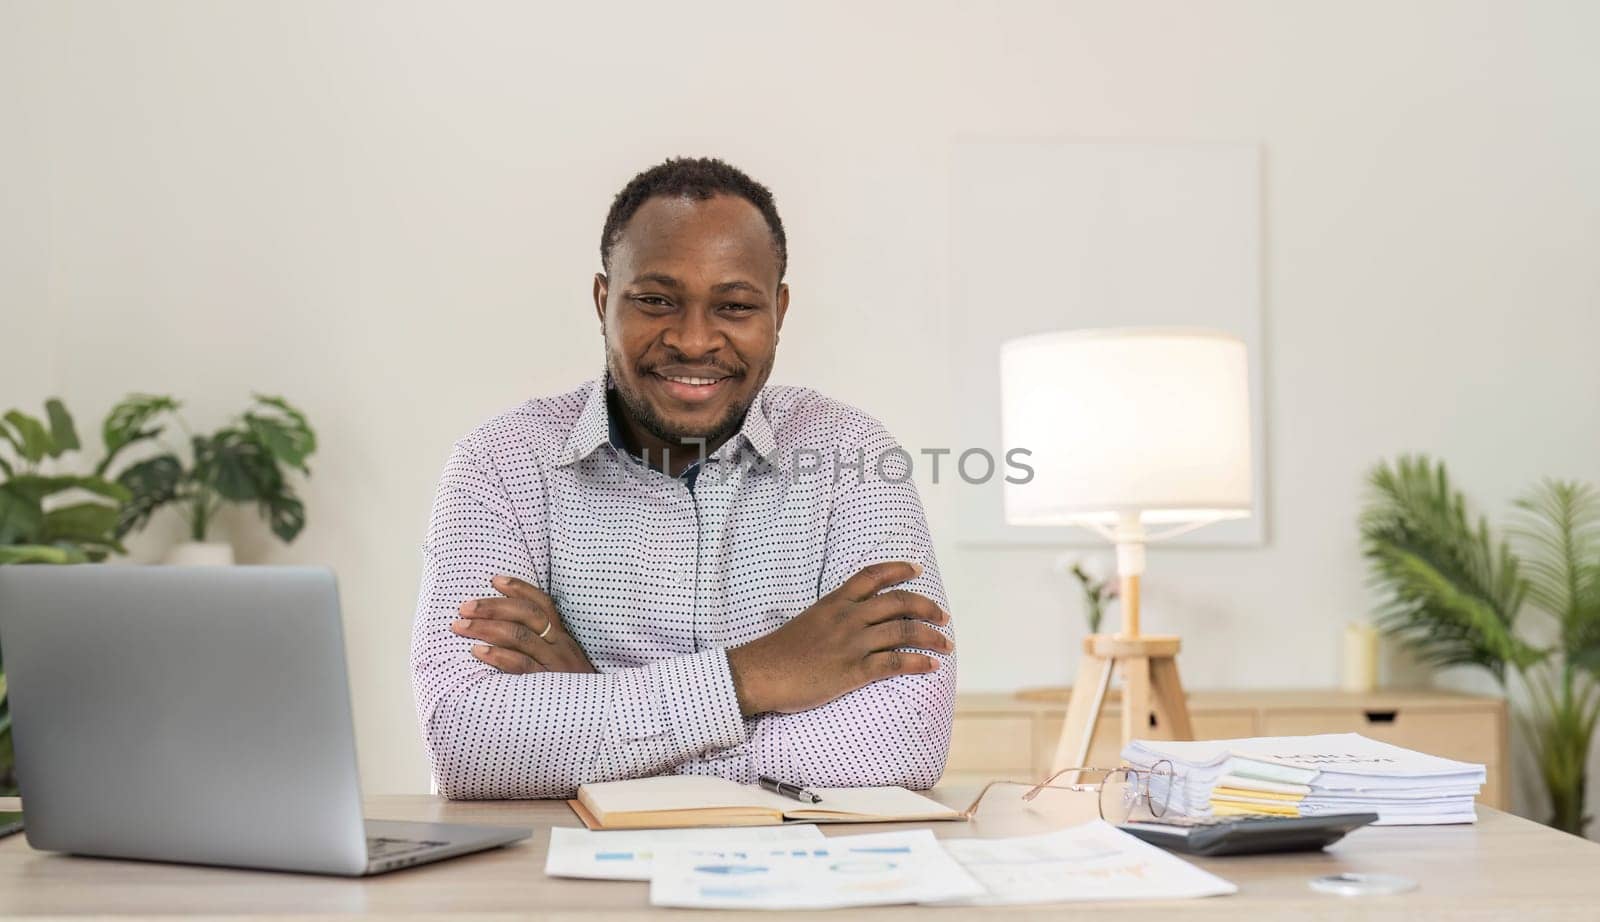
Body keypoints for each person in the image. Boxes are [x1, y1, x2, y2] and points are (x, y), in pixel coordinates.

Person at [411, 157, 955, 799]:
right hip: (566, 889)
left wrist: (585, 714)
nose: (695, 341)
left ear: (778, 310)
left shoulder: (856, 456)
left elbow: (902, 742)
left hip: (797, 890)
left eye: (734, 305)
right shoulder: (498, 464)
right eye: (656, 301)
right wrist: (756, 675)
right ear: (602, 300)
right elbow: (468, 743)